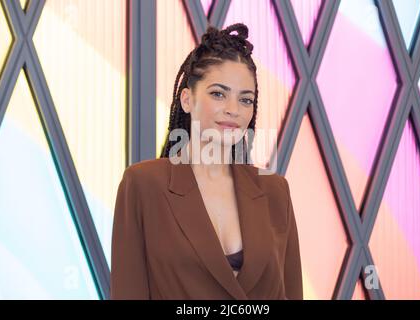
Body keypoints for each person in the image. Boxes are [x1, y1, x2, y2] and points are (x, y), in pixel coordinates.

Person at [111, 22, 303, 300]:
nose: (233, 110)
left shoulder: (274, 190)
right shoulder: (143, 184)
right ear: (187, 99)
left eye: (245, 100)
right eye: (218, 94)